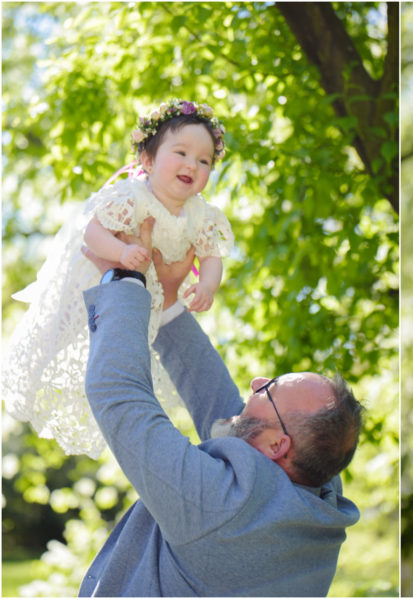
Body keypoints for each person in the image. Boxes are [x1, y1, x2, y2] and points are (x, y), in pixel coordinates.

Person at [79, 219, 363, 596]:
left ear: (278, 446)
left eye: (270, 390)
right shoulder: (318, 484)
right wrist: (165, 300)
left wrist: (125, 282)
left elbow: (119, 395)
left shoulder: (217, 507)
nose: (257, 383)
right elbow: (228, 419)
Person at [2, 99, 234, 458]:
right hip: (101, 278)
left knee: (133, 354)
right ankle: (34, 367)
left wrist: (206, 285)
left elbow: (211, 257)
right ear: (148, 160)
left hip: (153, 295)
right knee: (66, 329)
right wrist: (121, 253)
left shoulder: (202, 215)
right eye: (182, 153)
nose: (193, 164)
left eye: (204, 161)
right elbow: (92, 234)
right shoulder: (132, 196)